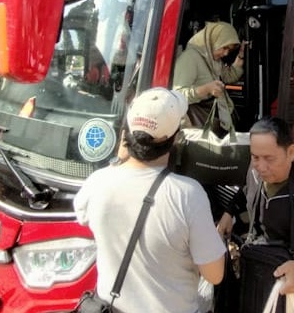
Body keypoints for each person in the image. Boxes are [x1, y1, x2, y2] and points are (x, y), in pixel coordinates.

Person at [73, 87, 225, 312]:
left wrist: (119, 160)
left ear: (127, 134)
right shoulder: (188, 195)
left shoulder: (97, 182)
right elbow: (214, 275)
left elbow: (84, 216)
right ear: (176, 138)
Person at [217, 117, 294, 312]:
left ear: (290, 152)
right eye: (255, 157)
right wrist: (229, 211)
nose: (260, 167)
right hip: (262, 276)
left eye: (269, 158)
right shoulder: (256, 171)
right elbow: (245, 191)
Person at [173, 20, 245, 135]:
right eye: (224, 48)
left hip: (218, 112)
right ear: (214, 41)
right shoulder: (190, 58)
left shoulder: (212, 59)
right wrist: (206, 89)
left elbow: (228, 76)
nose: (226, 53)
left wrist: (240, 56)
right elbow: (177, 96)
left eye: (229, 50)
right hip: (202, 116)